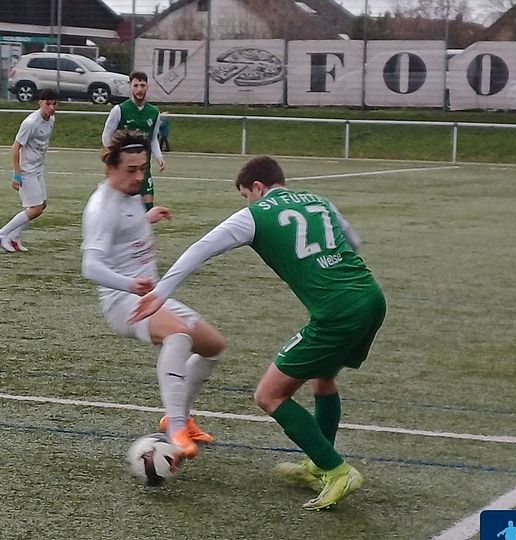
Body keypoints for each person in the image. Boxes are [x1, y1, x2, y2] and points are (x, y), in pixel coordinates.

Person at [131, 155, 386, 510]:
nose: (247, 202)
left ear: (258, 187)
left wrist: (160, 294)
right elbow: (353, 242)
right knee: (322, 378)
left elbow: (199, 250)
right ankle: (318, 463)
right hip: (371, 298)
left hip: (337, 312)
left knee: (269, 395)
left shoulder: (256, 213)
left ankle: (336, 469)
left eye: (245, 196)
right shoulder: (318, 200)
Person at [81, 129, 225, 460]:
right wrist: (129, 285)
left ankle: (180, 417)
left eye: (142, 168)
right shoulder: (101, 207)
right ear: (110, 169)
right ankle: (175, 427)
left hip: (152, 296)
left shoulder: (128, 197)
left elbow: (124, 229)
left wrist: (147, 217)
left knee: (213, 347)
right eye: (130, 170)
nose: (138, 176)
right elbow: (90, 266)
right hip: (123, 302)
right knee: (177, 335)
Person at [0, 89, 59, 253]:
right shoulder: (30, 123)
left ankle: (14, 238)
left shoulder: (51, 119)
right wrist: (17, 174)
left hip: (37, 169)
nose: (51, 107)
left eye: (54, 103)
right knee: (35, 208)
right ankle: (2, 233)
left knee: (41, 205)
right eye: (47, 103)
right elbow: (16, 147)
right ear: (40, 103)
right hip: (26, 170)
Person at [100, 71, 166, 210]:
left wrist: (159, 156)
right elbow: (106, 135)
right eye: (135, 85)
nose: (139, 89)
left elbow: (153, 138)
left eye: (142, 85)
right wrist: (112, 156)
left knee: (147, 206)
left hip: (143, 166)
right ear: (130, 86)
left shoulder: (154, 112)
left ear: (147, 86)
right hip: (125, 167)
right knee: (120, 206)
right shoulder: (119, 110)